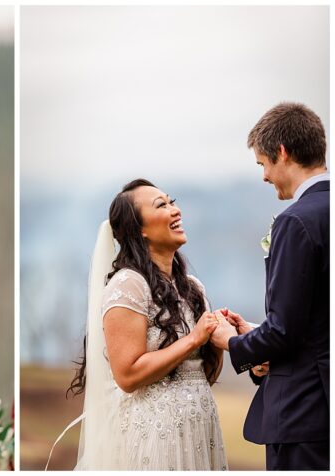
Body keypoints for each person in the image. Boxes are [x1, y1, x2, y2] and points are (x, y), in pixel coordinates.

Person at [65, 179, 227, 470]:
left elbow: (205, 375)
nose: (175, 210)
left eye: (172, 201)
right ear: (139, 229)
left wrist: (220, 338)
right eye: (161, 205)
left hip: (200, 429)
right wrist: (192, 340)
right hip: (155, 433)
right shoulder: (128, 285)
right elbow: (127, 375)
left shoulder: (193, 288)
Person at [209, 102, 329, 471]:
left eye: (262, 164)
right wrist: (259, 331)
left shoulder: (296, 221)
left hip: (306, 412)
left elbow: (285, 333)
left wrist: (231, 341)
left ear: (282, 152)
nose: (263, 177)